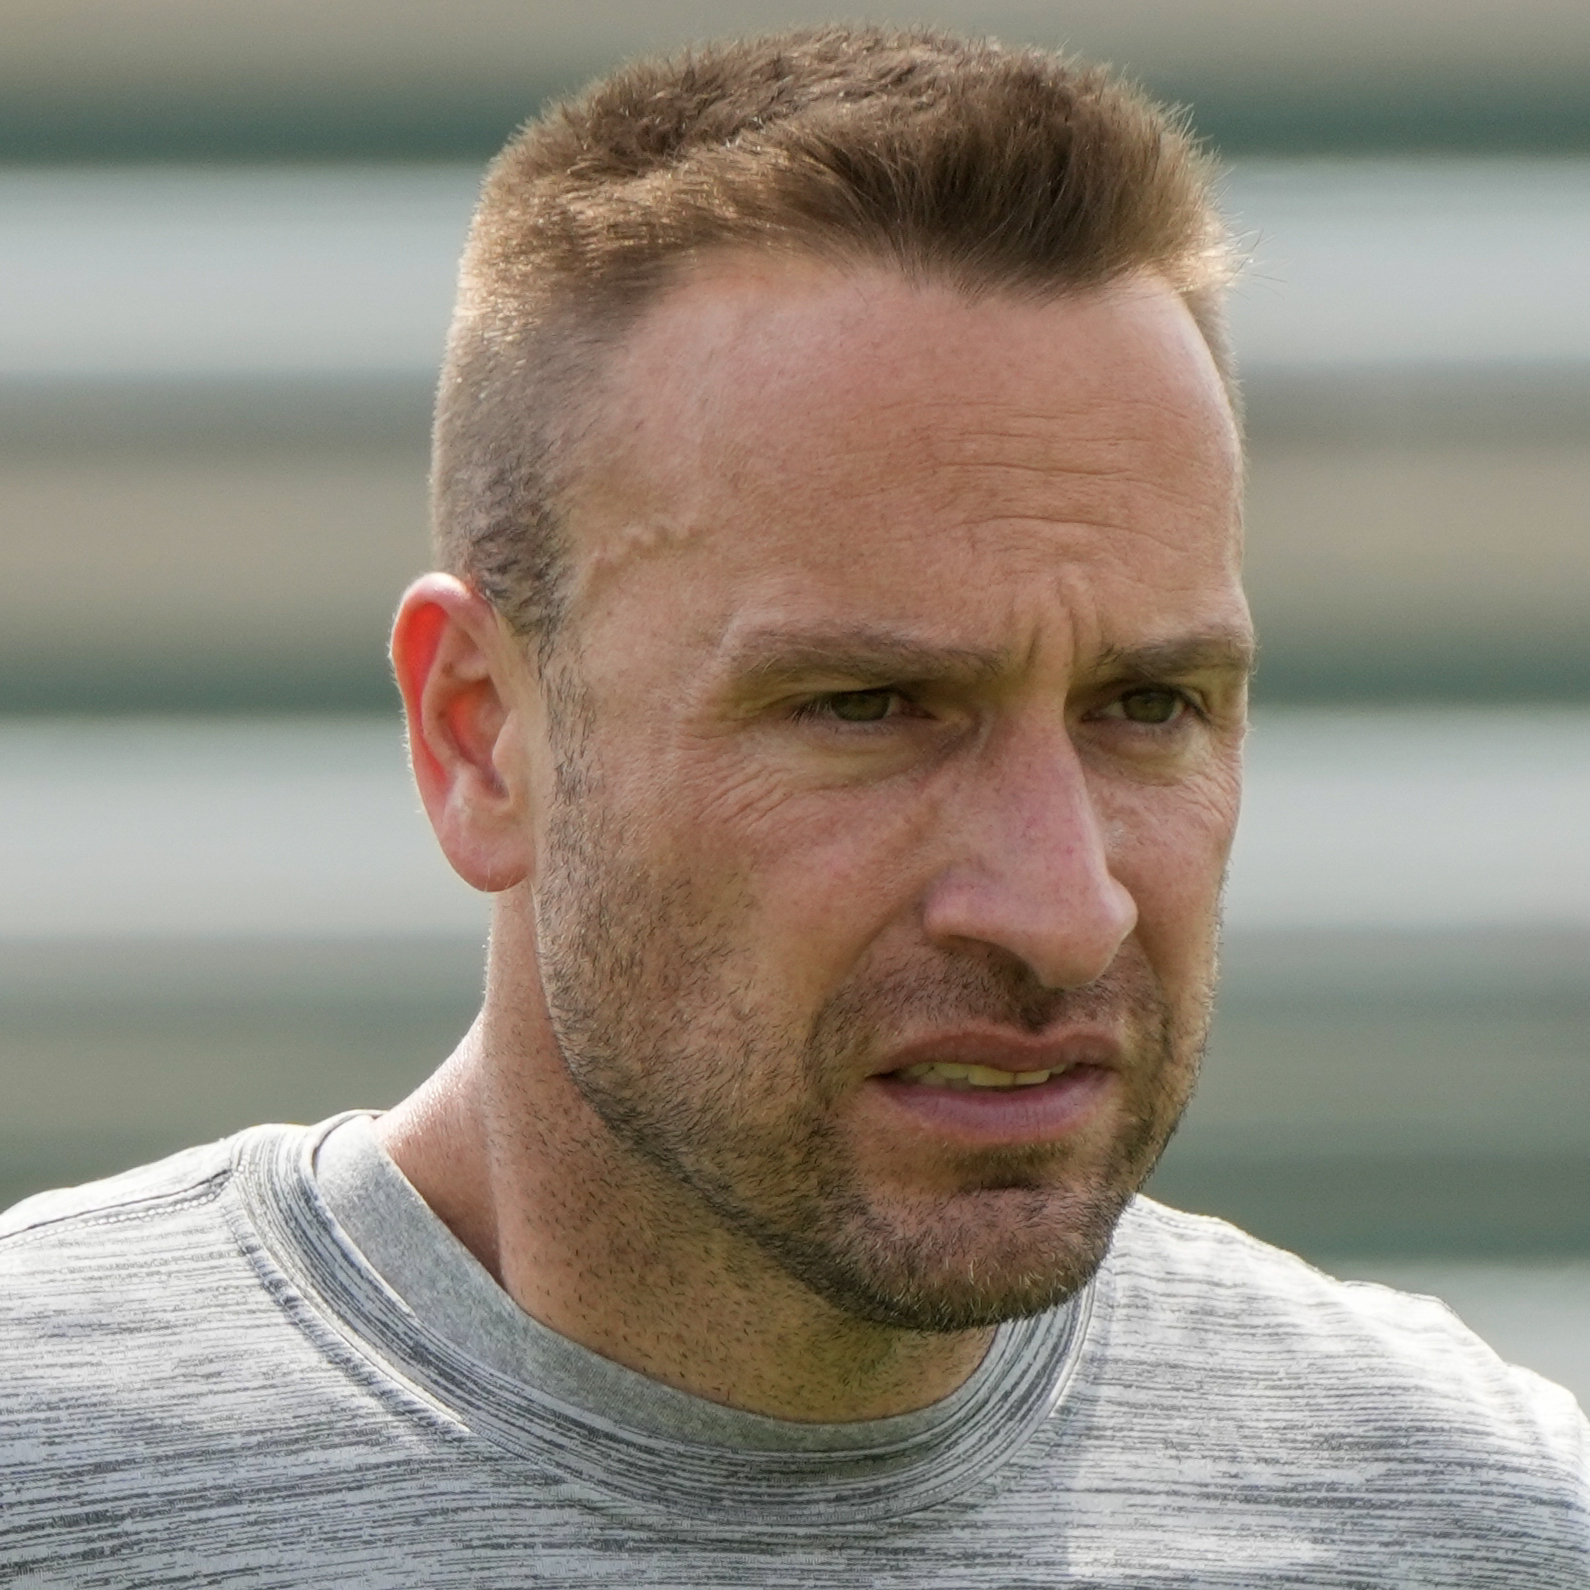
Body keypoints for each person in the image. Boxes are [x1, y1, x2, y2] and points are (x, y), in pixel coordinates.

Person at [2, 25, 1585, 1586]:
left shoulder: (1471, 1517)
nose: (1061, 904)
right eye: (865, 708)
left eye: (1145, 706)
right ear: (481, 739)